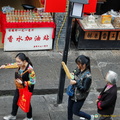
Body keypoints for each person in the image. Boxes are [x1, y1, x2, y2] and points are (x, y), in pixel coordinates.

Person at [0, 53, 36, 120]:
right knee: (15, 99)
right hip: (19, 86)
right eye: (16, 61)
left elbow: (33, 81)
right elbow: (13, 65)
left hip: (27, 88)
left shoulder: (30, 69)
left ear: (24, 61)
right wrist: (4, 66)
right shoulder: (19, 64)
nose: (17, 63)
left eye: (18, 62)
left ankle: (29, 117)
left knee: (26, 101)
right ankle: (13, 115)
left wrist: (23, 82)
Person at [67, 55, 94, 120]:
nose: (77, 66)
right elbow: (75, 71)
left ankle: (90, 117)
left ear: (84, 65)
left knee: (75, 111)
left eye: (79, 64)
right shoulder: (79, 69)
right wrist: (72, 73)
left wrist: (76, 83)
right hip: (73, 93)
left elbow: (84, 89)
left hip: (80, 97)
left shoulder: (88, 77)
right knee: (69, 108)